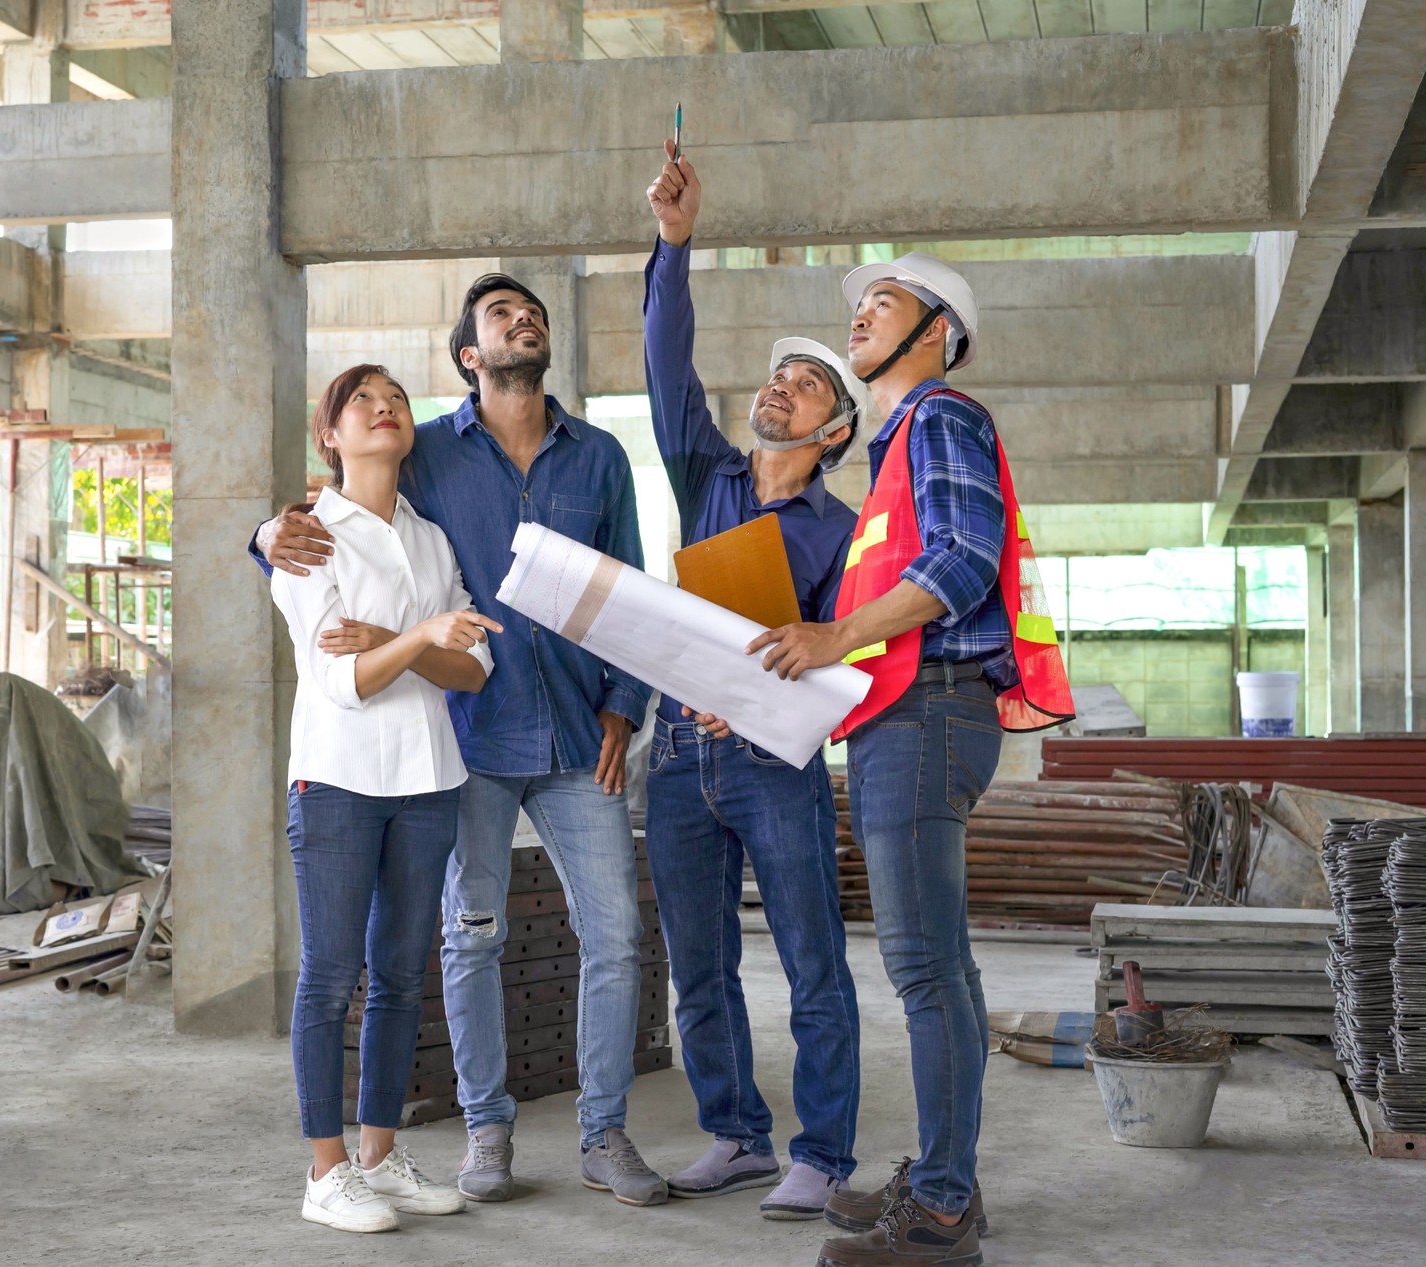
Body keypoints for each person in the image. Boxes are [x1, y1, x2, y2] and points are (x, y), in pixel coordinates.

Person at [256, 278, 666, 1206]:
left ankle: (604, 1133)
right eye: (499, 316)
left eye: (535, 313)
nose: (524, 321)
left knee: (616, 934)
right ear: (470, 355)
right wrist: (264, 534)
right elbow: (325, 518)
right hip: (467, 746)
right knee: (467, 938)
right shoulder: (429, 450)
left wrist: (624, 707)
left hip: (574, 733)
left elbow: (629, 590)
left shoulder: (598, 457)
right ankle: (486, 1133)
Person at [736, 254, 1073, 1267]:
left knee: (925, 971)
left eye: (881, 304)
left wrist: (836, 639)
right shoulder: (896, 450)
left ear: (936, 332)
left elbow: (963, 561)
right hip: (908, 717)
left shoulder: (939, 418)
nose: (858, 318)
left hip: (927, 717)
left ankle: (941, 1208)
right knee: (944, 971)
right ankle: (944, 1174)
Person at [640, 142, 866, 1219]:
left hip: (775, 758)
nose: (779, 389)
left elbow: (855, 645)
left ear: (831, 431)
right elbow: (662, 362)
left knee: (813, 960)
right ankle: (736, 1134)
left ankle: (823, 1151)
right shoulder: (706, 473)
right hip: (680, 754)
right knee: (700, 962)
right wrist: (673, 247)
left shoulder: (844, 530)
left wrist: (816, 633)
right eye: (776, 378)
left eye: (806, 384)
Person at [272, 364, 498, 1234]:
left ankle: (379, 1154)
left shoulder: (431, 538)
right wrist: (417, 639)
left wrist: (409, 643)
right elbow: (345, 680)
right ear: (328, 433)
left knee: (403, 976)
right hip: (338, 779)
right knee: (332, 975)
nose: (384, 407)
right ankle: (324, 1170)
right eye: (361, 401)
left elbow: (471, 668)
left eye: (396, 398)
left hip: (428, 779)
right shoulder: (306, 538)